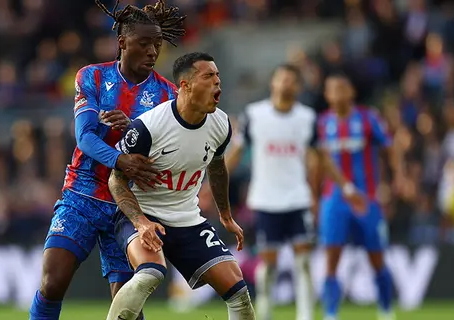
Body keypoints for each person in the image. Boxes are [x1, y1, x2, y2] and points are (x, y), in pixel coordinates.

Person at [29, 1, 186, 319]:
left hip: (129, 205)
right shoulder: (92, 77)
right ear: (123, 42)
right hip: (83, 196)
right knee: (52, 282)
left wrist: (131, 128)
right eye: (144, 44)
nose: (153, 52)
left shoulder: (168, 96)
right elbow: (85, 138)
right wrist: (120, 158)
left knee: (128, 302)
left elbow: (167, 152)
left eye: (157, 44)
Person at [106, 52, 256, 320]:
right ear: (185, 85)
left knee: (239, 293)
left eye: (218, 76)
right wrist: (141, 222)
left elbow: (217, 166)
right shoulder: (149, 127)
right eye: (208, 77)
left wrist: (225, 215)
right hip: (144, 214)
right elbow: (115, 180)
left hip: (188, 219)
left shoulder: (221, 123)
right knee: (149, 275)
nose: (217, 83)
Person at [225, 64, 316, 320]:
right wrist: (215, 180)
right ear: (273, 83)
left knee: (304, 262)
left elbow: (316, 158)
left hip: (298, 197)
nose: (286, 84)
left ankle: (305, 315)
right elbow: (238, 151)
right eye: (282, 79)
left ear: (298, 86)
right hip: (266, 199)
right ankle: (265, 311)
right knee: (269, 264)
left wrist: (316, 193)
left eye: (291, 80)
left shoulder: (307, 117)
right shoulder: (255, 114)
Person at [315, 74, 406, 320]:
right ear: (327, 95)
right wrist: (313, 198)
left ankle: (386, 310)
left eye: (343, 87)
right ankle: (331, 313)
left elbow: (390, 148)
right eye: (333, 88)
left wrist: (398, 177)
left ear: (351, 92)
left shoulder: (368, 118)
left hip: (367, 199)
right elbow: (316, 164)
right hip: (333, 200)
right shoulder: (321, 124)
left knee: (377, 257)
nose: (338, 92)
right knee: (331, 259)